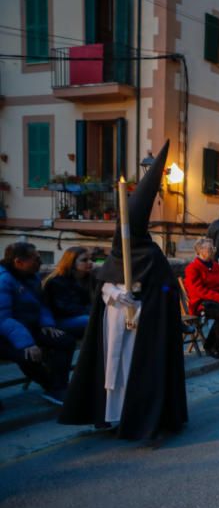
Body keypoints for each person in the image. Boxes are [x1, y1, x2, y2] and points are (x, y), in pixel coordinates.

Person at [59, 142, 188, 439]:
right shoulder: (118, 251)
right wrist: (115, 295)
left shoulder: (153, 255)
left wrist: (144, 303)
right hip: (114, 321)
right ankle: (109, 414)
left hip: (142, 325)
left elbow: (167, 290)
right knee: (110, 370)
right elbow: (101, 283)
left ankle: (136, 417)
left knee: (133, 371)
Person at [0, 242, 75, 405]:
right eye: (35, 259)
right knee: (28, 356)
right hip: (5, 334)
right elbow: (2, 318)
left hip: (28, 328)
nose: (40, 262)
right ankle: (52, 387)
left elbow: (40, 304)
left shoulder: (32, 277)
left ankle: (59, 387)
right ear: (18, 262)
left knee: (65, 340)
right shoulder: (3, 280)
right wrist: (26, 343)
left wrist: (47, 324)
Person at [42, 246, 94, 339]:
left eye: (90, 259)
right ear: (71, 263)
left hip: (79, 315)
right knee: (91, 320)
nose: (90, 262)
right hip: (59, 320)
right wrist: (93, 311)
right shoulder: (57, 281)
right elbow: (65, 308)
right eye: (84, 260)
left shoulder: (88, 279)